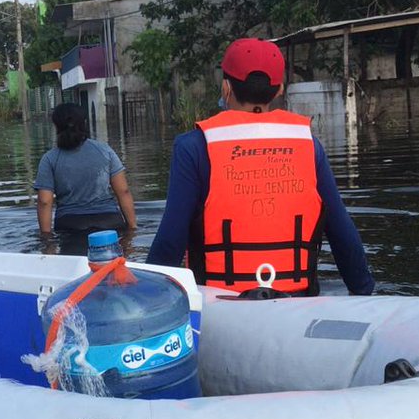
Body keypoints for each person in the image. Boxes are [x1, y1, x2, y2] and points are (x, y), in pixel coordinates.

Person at [147, 38, 373, 296]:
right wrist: (365, 294)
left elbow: (169, 242)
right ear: (279, 90)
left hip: (220, 306)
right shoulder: (308, 146)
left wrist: (145, 300)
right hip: (298, 304)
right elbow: (343, 235)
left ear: (225, 88)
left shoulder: (192, 147)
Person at [35, 102, 136, 237]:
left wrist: (46, 240)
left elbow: (44, 201)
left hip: (70, 225)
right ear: (84, 123)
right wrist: (132, 230)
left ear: (56, 126)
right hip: (109, 222)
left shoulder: (49, 159)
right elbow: (123, 191)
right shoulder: (105, 150)